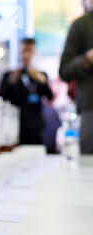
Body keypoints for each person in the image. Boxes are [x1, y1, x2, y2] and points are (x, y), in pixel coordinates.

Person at [0, 38, 53, 145]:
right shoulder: (10, 75)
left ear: (34, 53)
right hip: (15, 125)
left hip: (35, 125)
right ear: (20, 52)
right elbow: (1, 98)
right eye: (24, 51)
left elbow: (50, 97)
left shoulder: (40, 76)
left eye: (30, 51)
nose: (27, 55)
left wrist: (42, 81)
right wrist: (11, 82)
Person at [59, 0, 93, 154]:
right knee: (88, 168)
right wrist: (87, 59)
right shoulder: (80, 25)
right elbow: (64, 71)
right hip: (90, 110)